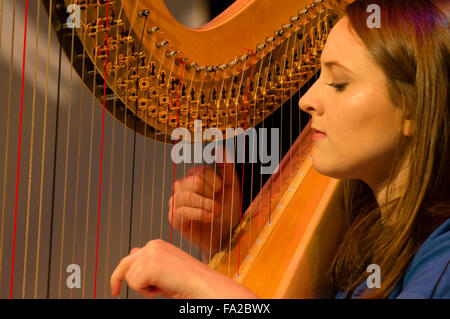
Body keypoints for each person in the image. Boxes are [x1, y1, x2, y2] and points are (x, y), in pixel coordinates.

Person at [110, 0, 450, 299]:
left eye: (339, 83)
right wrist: (227, 241)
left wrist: (203, 284)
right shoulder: (368, 238)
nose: (307, 100)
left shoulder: (443, 255)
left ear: (415, 107)